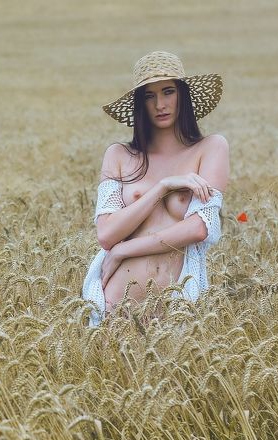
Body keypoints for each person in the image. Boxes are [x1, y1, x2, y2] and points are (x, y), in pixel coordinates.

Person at [82, 51, 229, 327]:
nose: (160, 104)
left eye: (168, 91)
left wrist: (123, 251)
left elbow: (200, 228)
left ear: (182, 96)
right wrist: (162, 188)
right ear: (140, 104)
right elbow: (106, 233)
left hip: (177, 301)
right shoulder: (118, 155)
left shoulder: (210, 149)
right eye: (149, 96)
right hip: (115, 301)